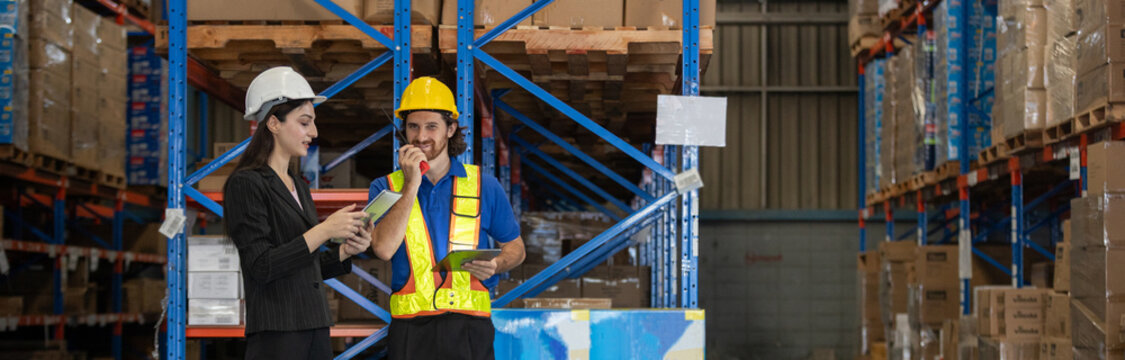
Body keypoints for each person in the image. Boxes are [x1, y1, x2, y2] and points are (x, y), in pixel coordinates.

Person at [369, 77, 526, 359]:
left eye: (432, 126)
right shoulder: (385, 188)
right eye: (413, 126)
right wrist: (411, 184)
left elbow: (516, 248)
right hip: (409, 331)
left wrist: (496, 263)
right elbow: (382, 249)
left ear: (451, 129)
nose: (421, 136)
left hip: (469, 328)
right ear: (403, 130)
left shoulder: (484, 185)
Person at [223, 66, 372, 360]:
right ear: (274, 123)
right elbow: (262, 266)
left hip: (314, 327)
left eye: (313, 123)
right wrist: (325, 230)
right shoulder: (246, 184)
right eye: (305, 122)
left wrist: (344, 251)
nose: (313, 132)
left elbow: (305, 265)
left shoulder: (298, 186)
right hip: (278, 335)